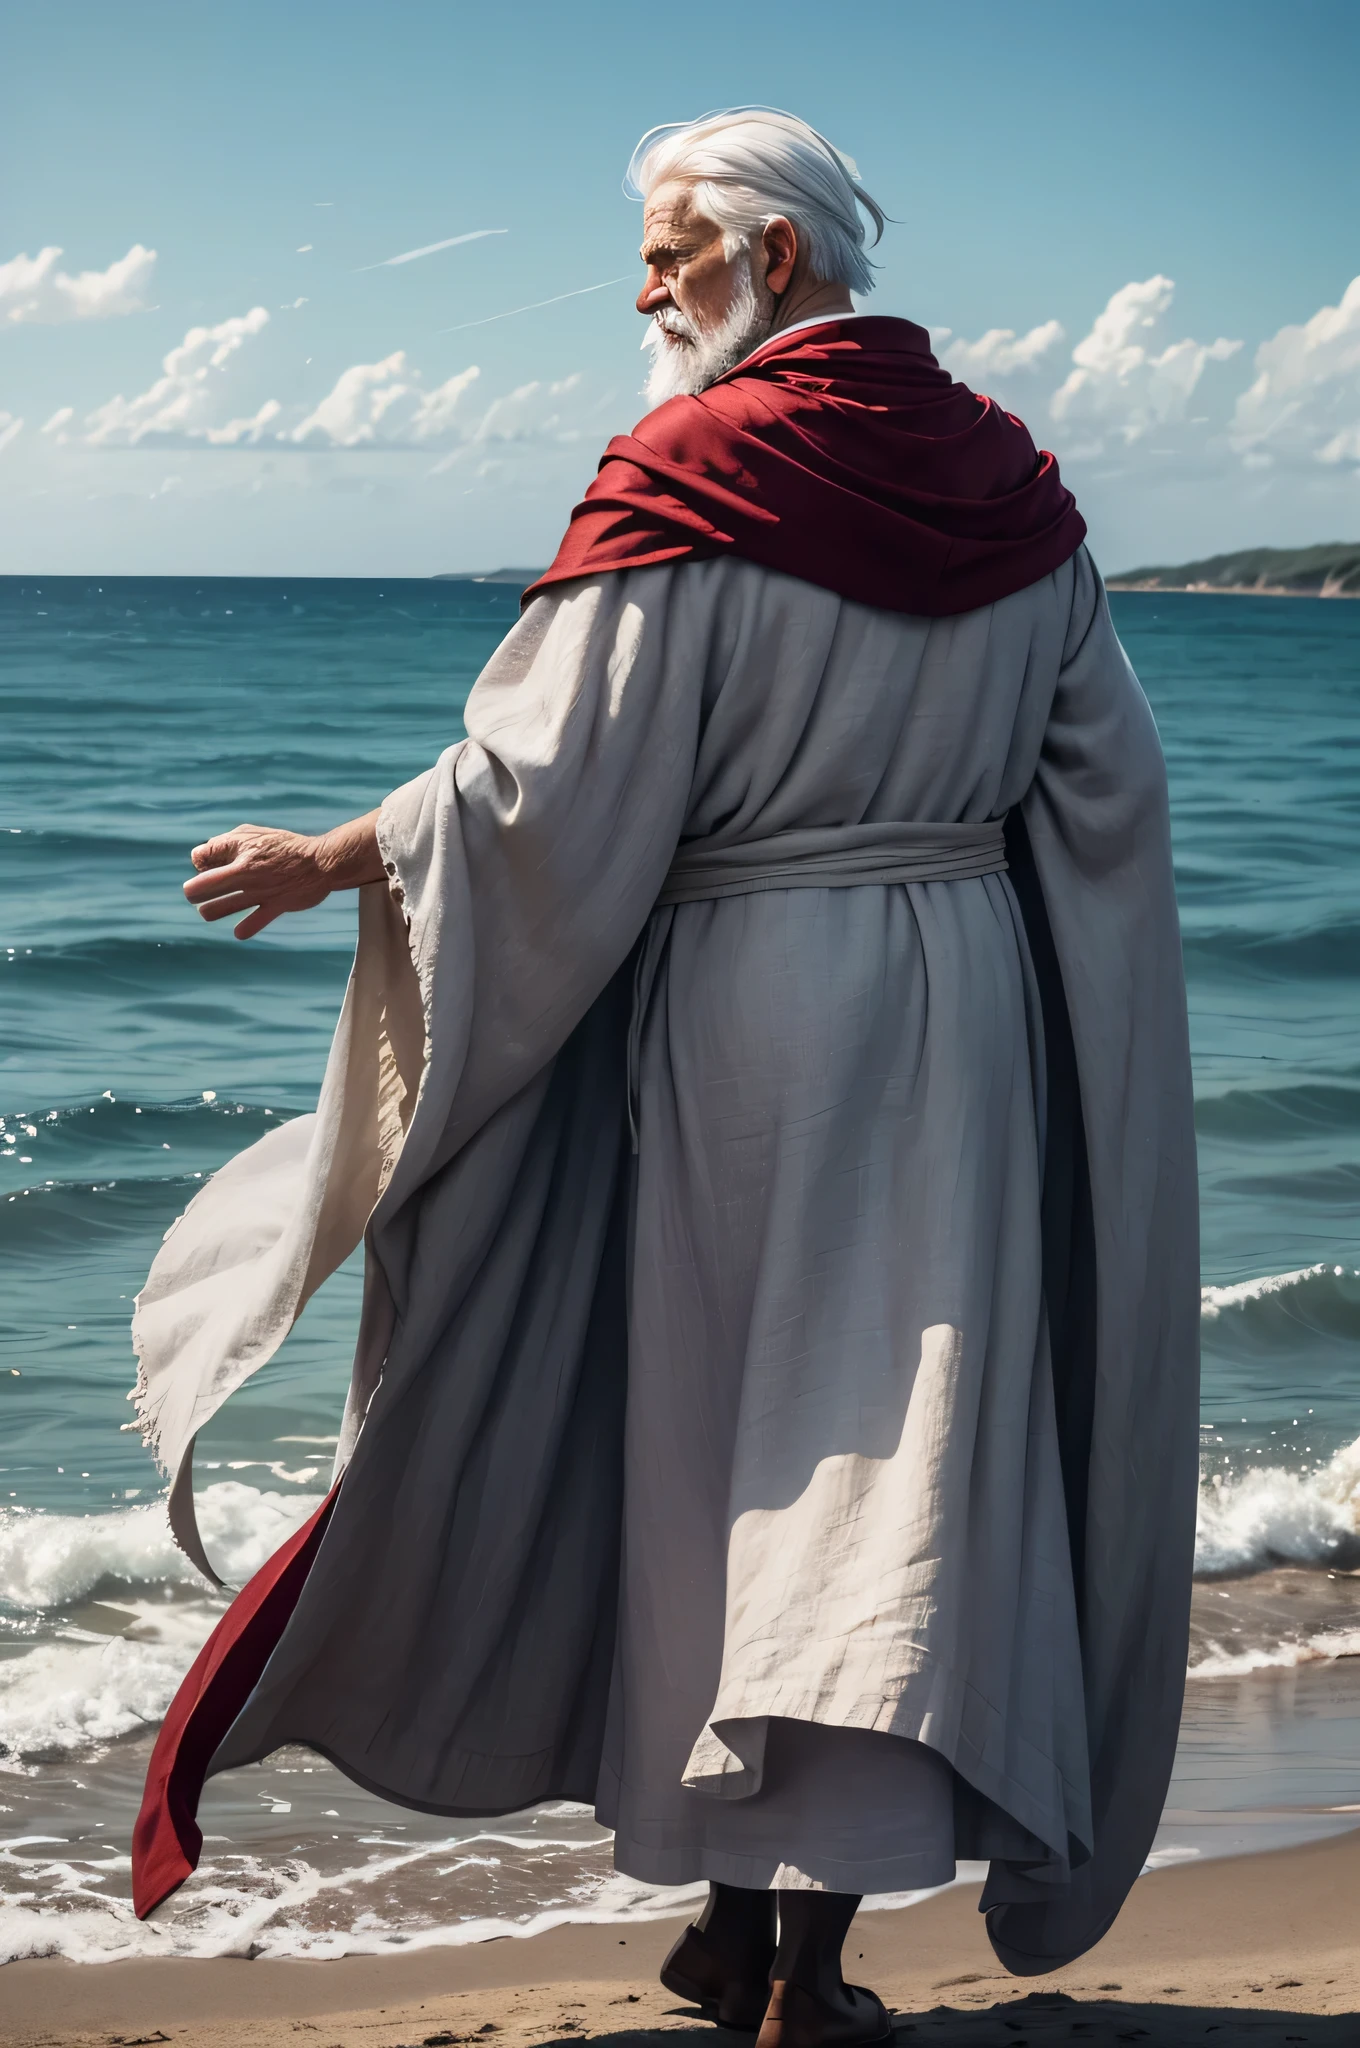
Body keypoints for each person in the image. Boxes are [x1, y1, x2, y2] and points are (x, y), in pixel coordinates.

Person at [129, 108, 1199, 2048]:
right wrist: (1056, 995)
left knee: (737, 1458)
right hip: (954, 1010)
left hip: (747, 1011)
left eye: (663, 250)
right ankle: (785, 1954)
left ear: (767, 263)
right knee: (898, 1469)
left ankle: (759, 1951)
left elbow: (534, 787)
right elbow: (1107, 785)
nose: (640, 287)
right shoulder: (1015, 492)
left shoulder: (699, 470)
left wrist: (333, 857)